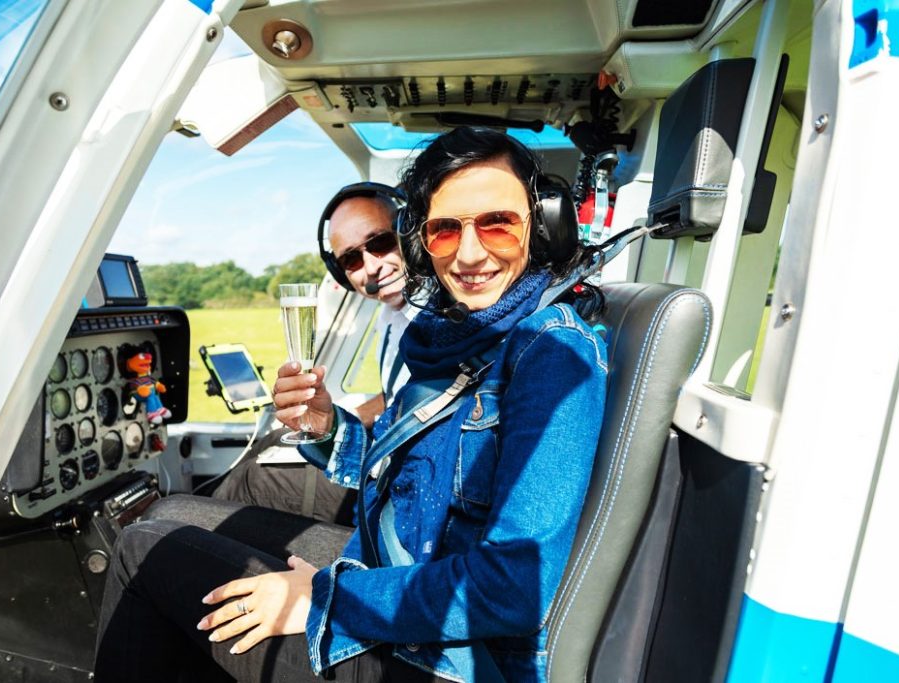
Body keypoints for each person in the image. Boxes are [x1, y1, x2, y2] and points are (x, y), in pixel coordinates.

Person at [95, 127, 608, 682]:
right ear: (422, 241)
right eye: (444, 230)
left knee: (142, 550)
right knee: (166, 515)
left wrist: (323, 598)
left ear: (544, 225)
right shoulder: (459, 338)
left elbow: (511, 589)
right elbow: (404, 474)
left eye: (498, 223)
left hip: (452, 659)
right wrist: (323, 426)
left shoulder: (550, 351)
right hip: (401, 563)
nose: (470, 253)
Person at [210, 184, 415, 524]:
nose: (371, 266)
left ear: (408, 229)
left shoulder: (439, 315)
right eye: (351, 259)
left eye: (380, 242)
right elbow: (410, 392)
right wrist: (345, 416)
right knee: (274, 439)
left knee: (251, 481)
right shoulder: (390, 317)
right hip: (384, 474)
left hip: (395, 500)